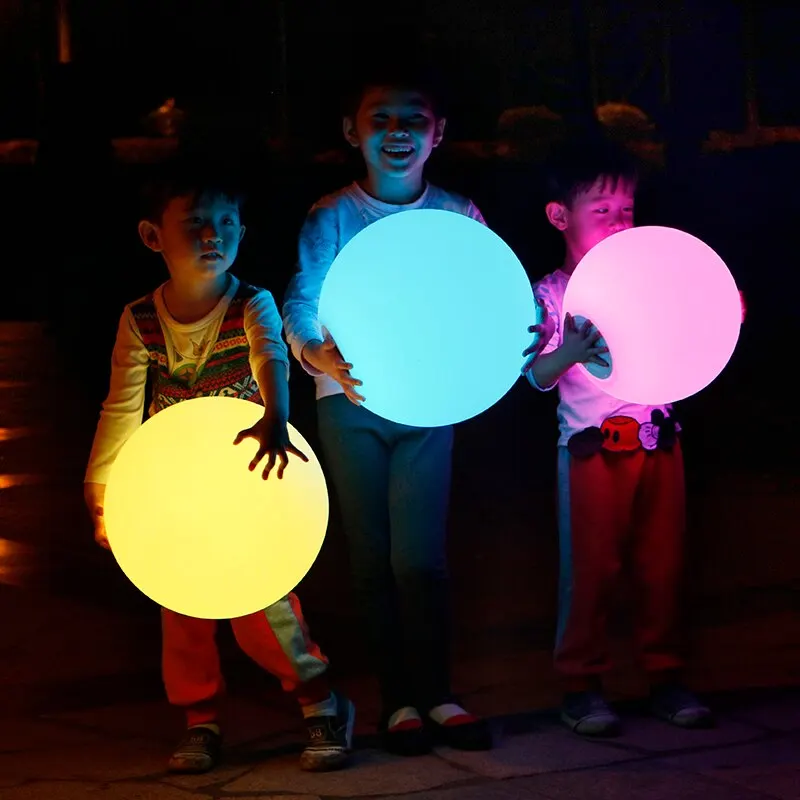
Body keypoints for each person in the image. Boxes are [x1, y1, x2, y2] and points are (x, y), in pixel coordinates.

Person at [83, 157, 355, 774]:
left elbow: (270, 360)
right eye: (196, 222)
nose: (214, 235)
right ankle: (199, 719)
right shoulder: (140, 319)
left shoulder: (251, 302)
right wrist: (101, 487)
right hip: (177, 493)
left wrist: (275, 416)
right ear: (154, 236)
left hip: (250, 481)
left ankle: (320, 702)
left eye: (227, 221)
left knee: (268, 605)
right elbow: (122, 404)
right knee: (180, 607)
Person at [282, 59, 493, 756]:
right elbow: (303, 300)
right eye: (381, 119)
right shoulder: (333, 215)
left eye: (413, 119)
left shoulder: (457, 215)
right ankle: (398, 700)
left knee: (420, 560)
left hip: (430, 402)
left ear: (438, 134)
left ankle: (439, 692)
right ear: (352, 132)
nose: (397, 132)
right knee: (371, 558)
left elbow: (484, 295)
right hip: (351, 402)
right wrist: (315, 353)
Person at [524, 136, 716, 737]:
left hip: (661, 442)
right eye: (602, 210)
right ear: (561, 216)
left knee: (662, 566)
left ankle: (666, 674)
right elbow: (534, 375)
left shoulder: (652, 279)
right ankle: (581, 684)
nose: (619, 221)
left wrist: (721, 312)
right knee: (592, 570)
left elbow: (692, 333)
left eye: (627, 209)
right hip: (591, 453)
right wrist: (569, 352)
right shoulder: (553, 293)